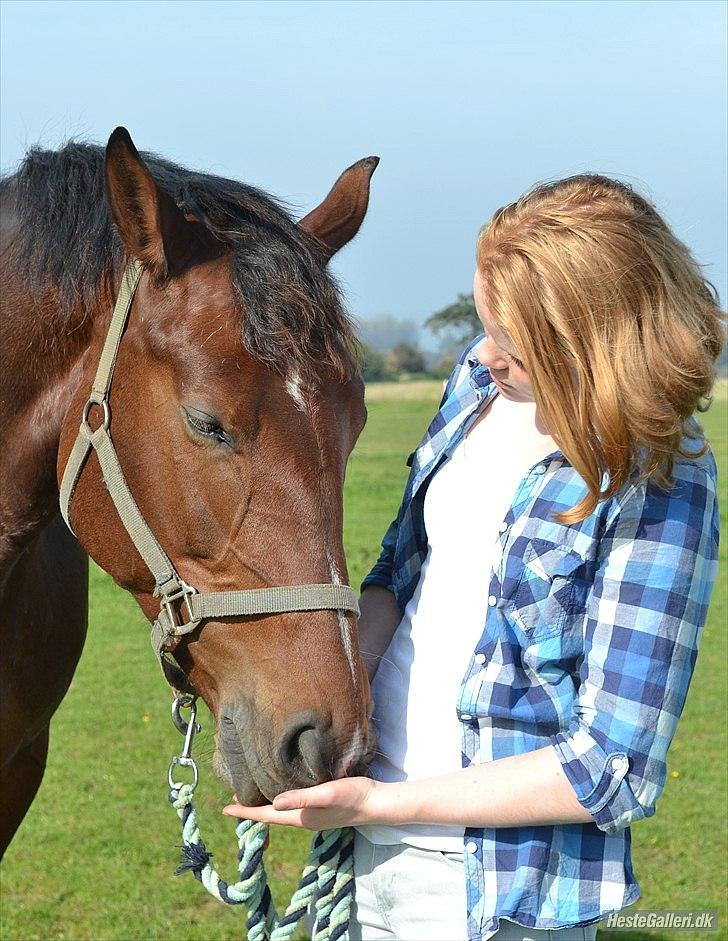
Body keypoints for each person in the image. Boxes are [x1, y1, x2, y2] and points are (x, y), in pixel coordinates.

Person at [224, 174, 724, 940]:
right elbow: (402, 568)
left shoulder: (662, 480)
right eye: (485, 323)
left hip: (495, 897)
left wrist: (385, 802)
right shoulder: (476, 385)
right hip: (366, 859)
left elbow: (611, 766)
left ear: (590, 344)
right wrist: (325, 677)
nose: (485, 353)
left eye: (514, 344)